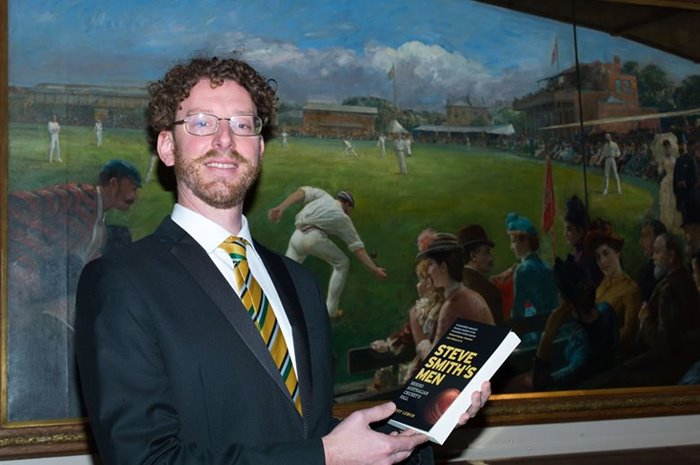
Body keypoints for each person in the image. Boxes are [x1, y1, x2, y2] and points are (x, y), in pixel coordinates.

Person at [75, 56, 491, 465]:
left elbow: (310, 434)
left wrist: (428, 421)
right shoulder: (120, 282)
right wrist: (322, 456)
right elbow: (146, 459)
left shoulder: (298, 281)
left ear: (258, 145)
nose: (225, 140)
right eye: (201, 122)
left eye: (242, 124)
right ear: (167, 146)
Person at [7, 159, 141, 421]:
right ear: (113, 184)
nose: (134, 196)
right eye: (132, 187)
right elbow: (15, 206)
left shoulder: (100, 225)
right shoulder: (80, 196)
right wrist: (28, 260)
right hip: (33, 295)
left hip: (55, 308)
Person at [268, 186, 386, 318]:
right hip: (313, 239)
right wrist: (374, 269)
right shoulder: (343, 218)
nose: (349, 212)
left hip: (296, 236)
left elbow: (301, 192)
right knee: (342, 263)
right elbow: (357, 248)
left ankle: (274, 304)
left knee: (287, 272)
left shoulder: (323, 195)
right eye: (350, 209)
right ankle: (330, 311)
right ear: (347, 204)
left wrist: (281, 207)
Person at [532, 256, 619, 391]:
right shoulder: (607, 311)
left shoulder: (582, 353)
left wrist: (549, 332)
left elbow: (541, 384)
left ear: (564, 298)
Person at [371, 230, 444, 385]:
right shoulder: (431, 307)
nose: (418, 285)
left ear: (430, 282)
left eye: (420, 280)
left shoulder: (425, 310)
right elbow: (407, 337)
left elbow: (408, 337)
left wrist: (389, 344)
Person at [418, 233, 494, 344]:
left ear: (443, 267)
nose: (429, 271)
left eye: (430, 264)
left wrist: (423, 347)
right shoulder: (472, 296)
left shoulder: (452, 306)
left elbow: (436, 358)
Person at [584, 227, 642, 358]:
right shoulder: (599, 288)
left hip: (614, 358)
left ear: (617, 253)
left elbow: (629, 334)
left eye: (606, 253)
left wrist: (600, 341)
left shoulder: (631, 289)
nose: (602, 261)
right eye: (598, 257)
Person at [505, 212, 558, 321]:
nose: (511, 247)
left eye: (513, 241)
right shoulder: (547, 267)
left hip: (535, 329)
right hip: (552, 323)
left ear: (525, 241)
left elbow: (518, 311)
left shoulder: (522, 271)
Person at [457, 224, 504, 325]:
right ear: (473, 256)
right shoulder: (488, 291)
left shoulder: (456, 283)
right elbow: (498, 334)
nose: (491, 258)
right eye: (487, 252)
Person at [636, 219, 667, 303]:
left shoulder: (672, 269)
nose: (641, 242)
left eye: (645, 236)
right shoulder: (644, 273)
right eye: (641, 236)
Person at [658, 139, 683, 232]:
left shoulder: (674, 159)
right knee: (667, 201)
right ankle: (667, 223)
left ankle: (676, 223)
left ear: (670, 148)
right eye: (665, 148)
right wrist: (661, 165)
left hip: (675, 180)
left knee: (675, 201)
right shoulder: (663, 159)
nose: (667, 150)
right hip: (667, 181)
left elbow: (678, 170)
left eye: (668, 148)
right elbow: (660, 172)